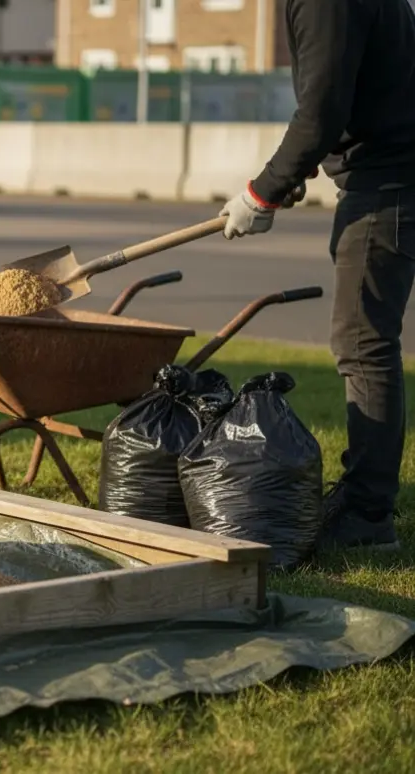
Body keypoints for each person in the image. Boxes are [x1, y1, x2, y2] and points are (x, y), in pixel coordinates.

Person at [219, 0, 415, 552]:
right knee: (366, 343)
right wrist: (297, 171)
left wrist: (262, 190)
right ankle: (365, 500)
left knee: (363, 346)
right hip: (390, 176)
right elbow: (352, 90)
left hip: (386, 187)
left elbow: (323, 108)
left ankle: (366, 516)